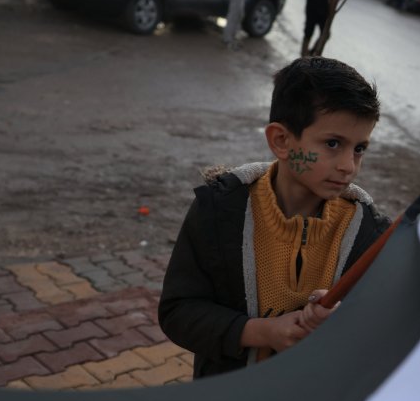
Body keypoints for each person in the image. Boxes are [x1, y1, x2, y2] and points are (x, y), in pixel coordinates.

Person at [159, 56, 391, 379]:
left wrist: (343, 319)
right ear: (281, 141)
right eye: (333, 143)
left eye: (359, 148)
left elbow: (379, 333)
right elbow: (178, 312)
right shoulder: (220, 210)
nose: (348, 166)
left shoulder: (368, 233)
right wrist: (260, 332)